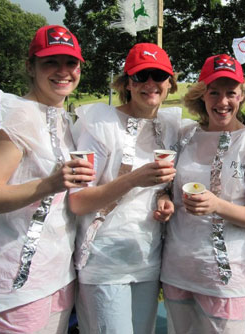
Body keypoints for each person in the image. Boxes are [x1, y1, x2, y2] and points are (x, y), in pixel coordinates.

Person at [159, 54, 245, 333]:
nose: (222, 101)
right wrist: (164, 200)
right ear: (202, 95)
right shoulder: (185, 136)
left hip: (226, 280)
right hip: (178, 271)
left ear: (242, 96)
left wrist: (217, 205)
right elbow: (168, 190)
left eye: (231, 93)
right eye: (214, 92)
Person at [0, 25, 95, 333]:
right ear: (30, 66)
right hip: (15, 282)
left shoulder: (64, 118)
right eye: (50, 62)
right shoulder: (15, 116)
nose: (63, 71)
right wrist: (49, 184)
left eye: (71, 63)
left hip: (59, 275)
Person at [69, 43, 180, 334]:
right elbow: (79, 201)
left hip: (147, 258)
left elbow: (159, 187)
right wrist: (132, 179)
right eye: (140, 76)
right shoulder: (100, 123)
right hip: (105, 263)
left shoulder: (169, 127)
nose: (150, 84)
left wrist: (164, 197)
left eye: (158, 75)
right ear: (127, 83)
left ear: (170, 83)